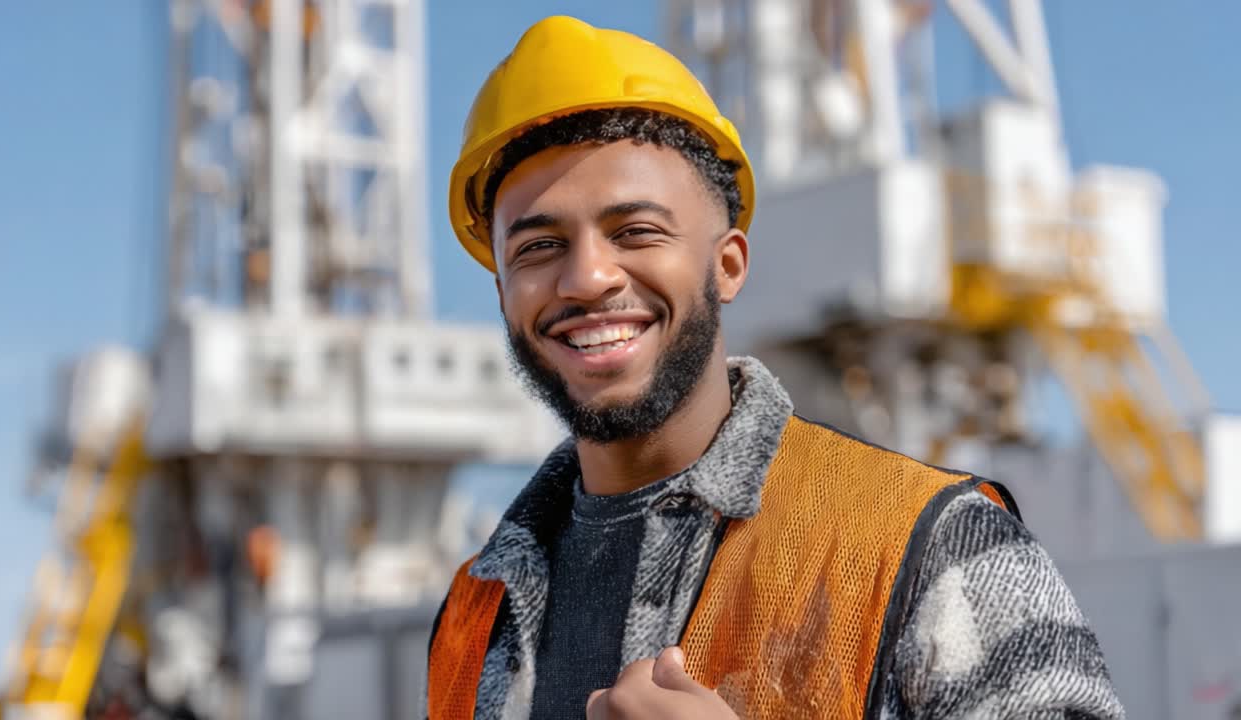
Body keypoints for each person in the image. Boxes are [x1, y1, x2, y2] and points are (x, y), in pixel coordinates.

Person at [426, 15, 1124, 720]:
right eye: (538, 247)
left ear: (726, 266)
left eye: (635, 232)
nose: (586, 277)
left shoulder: (930, 547)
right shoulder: (475, 611)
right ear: (503, 292)